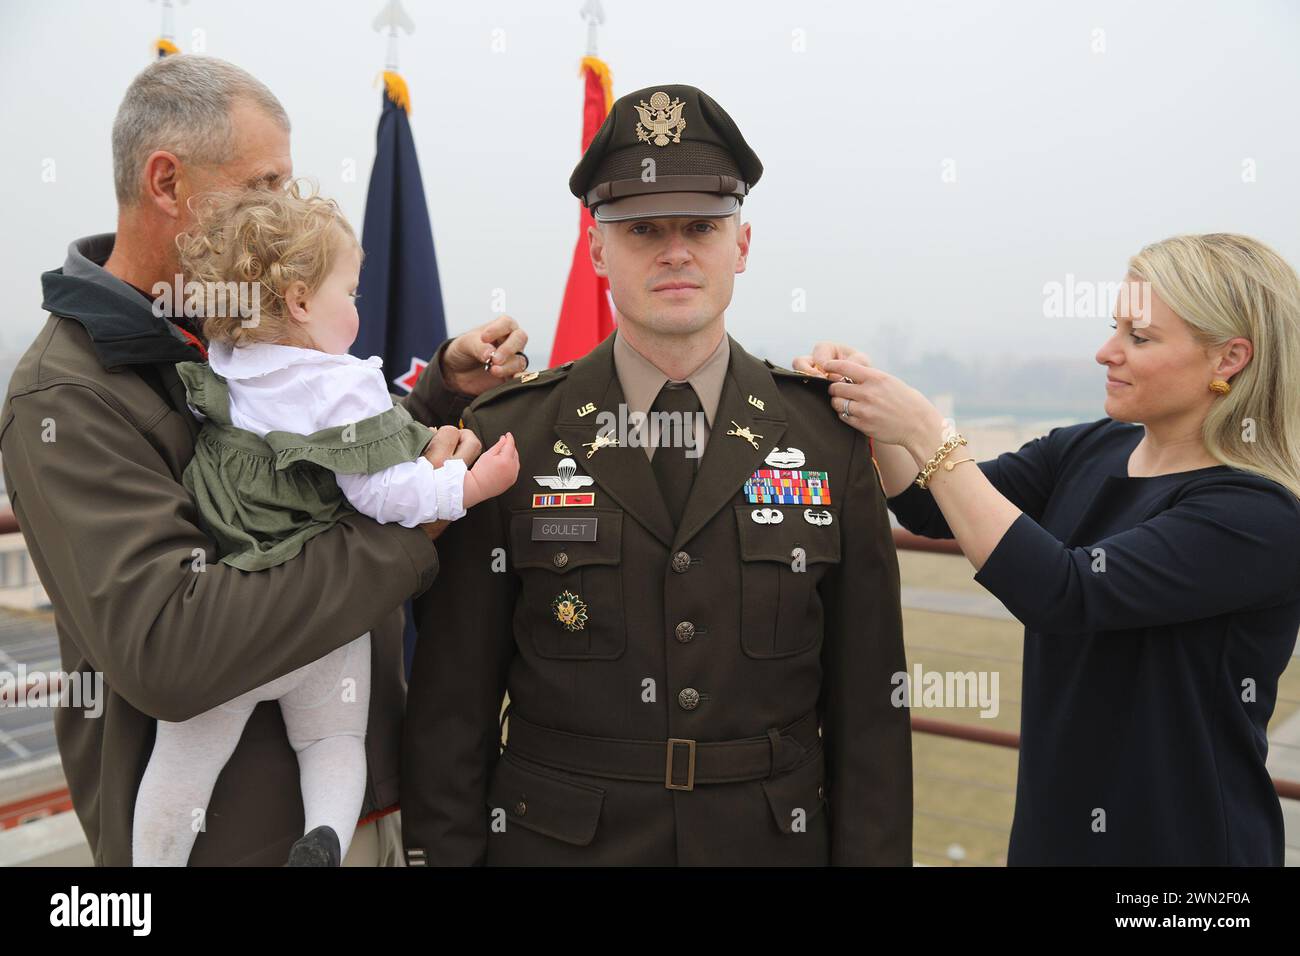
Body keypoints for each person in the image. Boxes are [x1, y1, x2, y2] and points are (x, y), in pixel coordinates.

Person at [0, 54, 528, 866]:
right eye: (263, 185)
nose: (285, 212)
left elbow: (307, 473)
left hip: (367, 807)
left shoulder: (234, 331)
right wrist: (409, 529)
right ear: (168, 184)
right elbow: (171, 647)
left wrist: (434, 406)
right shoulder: (67, 395)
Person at [401, 84, 912, 866]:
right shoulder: (511, 436)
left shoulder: (825, 438)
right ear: (599, 249)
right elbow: (451, 708)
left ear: (741, 245)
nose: (676, 251)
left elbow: (869, 712)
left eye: (702, 227)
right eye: (643, 229)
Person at [798, 233, 1300, 865]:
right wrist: (870, 401)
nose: (1105, 352)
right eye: (1113, 328)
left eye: (1138, 338)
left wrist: (928, 432)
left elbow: (1064, 592)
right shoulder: (1091, 448)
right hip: (1055, 831)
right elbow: (935, 506)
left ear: (1229, 359)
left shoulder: (1257, 516)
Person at [131, 185, 520, 866]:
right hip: (317, 622)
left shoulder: (227, 361)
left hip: (231, 606)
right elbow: (383, 493)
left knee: (183, 758)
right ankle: (327, 841)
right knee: (334, 743)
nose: (357, 310)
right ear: (302, 303)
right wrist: (467, 484)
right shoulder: (343, 385)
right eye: (350, 294)